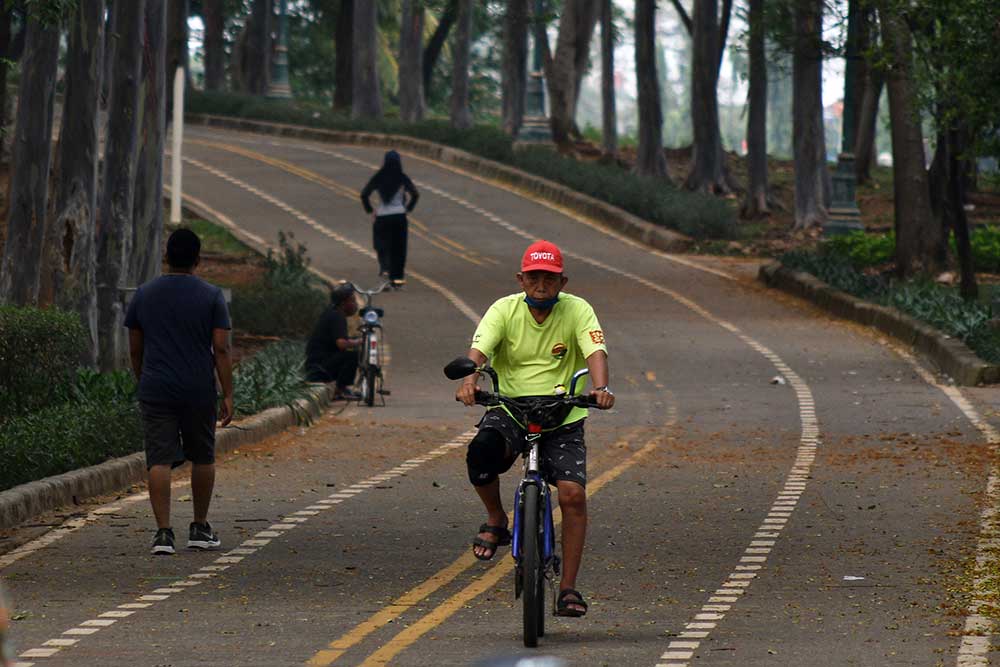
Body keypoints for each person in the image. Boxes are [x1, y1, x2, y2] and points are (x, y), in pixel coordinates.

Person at [455, 240, 615, 618]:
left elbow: (595, 351)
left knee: (573, 495)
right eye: (533, 276)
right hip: (511, 409)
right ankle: (496, 519)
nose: (541, 283)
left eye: (549, 277)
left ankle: (568, 588)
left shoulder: (578, 310)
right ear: (521, 279)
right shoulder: (503, 310)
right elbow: (478, 351)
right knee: (481, 453)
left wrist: (601, 388)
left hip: (563, 413)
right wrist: (468, 380)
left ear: (562, 281)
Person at [125, 228, 233, 556]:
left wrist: (145, 378)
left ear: (166, 257)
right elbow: (221, 348)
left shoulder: (143, 294)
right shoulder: (212, 296)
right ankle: (200, 527)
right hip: (198, 387)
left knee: (158, 458)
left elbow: (135, 347)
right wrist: (227, 392)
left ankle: (163, 533)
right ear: (198, 260)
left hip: (157, 387)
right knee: (203, 455)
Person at [360, 150, 419, 288]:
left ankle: (385, 267)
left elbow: (364, 194)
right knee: (399, 248)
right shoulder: (402, 177)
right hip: (399, 216)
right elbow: (415, 194)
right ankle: (397, 278)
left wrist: (370, 210)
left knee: (381, 244)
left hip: (382, 217)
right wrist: (408, 209)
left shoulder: (379, 177)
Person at [305, 282, 362, 400]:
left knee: (348, 351)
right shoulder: (337, 317)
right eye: (352, 300)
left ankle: (340, 389)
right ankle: (340, 390)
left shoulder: (331, 312)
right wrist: (359, 342)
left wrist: (352, 340)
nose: (355, 304)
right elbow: (341, 344)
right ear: (343, 303)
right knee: (352, 355)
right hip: (319, 369)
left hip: (315, 365)